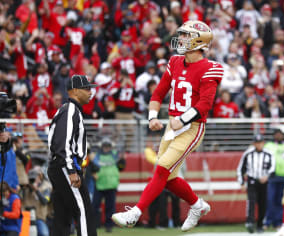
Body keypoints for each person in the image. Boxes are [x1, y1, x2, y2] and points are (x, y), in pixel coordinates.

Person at [112, 20, 223, 232]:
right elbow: (159, 92)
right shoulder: (174, 62)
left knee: (162, 169)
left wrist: (182, 120)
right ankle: (197, 205)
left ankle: (135, 213)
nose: (180, 39)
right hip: (173, 127)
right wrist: (152, 116)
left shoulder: (210, 68)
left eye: (185, 36)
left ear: (198, 41)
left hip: (192, 128)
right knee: (168, 176)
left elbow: (205, 105)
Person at [47, 74, 98, 236]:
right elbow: (63, 142)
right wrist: (70, 170)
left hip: (61, 165)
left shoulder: (70, 110)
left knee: (62, 217)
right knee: (83, 211)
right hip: (65, 165)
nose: (91, 92)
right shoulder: (70, 110)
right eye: (87, 88)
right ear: (75, 91)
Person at [237, 134, 275, 233]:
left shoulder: (268, 154)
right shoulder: (248, 154)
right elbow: (240, 168)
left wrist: (267, 176)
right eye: (257, 143)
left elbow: (272, 168)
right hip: (252, 180)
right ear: (254, 143)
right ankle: (250, 222)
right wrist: (241, 182)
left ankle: (260, 225)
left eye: (260, 143)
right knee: (251, 201)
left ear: (263, 143)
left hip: (264, 181)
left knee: (263, 203)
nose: (259, 145)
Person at [92, 137, 123, 233]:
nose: (106, 148)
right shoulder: (97, 156)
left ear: (110, 147)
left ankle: (109, 226)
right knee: (95, 206)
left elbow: (121, 164)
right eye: (104, 146)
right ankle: (92, 225)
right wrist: (94, 175)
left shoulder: (114, 155)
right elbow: (92, 167)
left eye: (108, 146)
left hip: (111, 185)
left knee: (110, 207)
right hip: (100, 184)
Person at [263, 127, 284, 229]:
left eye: (280, 134)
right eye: (277, 134)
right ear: (274, 135)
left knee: (281, 201)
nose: (279, 135)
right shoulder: (269, 145)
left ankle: (278, 222)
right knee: (270, 199)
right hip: (273, 176)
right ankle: (267, 221)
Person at [21, 166, 52, 236]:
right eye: (31, 178)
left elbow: (45, 201)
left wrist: (36, 190)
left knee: (44, 234)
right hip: (26, 217)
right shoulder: (26, 187)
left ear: (40, 176)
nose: (32, 180)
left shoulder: (46, 186)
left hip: (39, 218)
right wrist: (24, 186)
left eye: (34, 178)